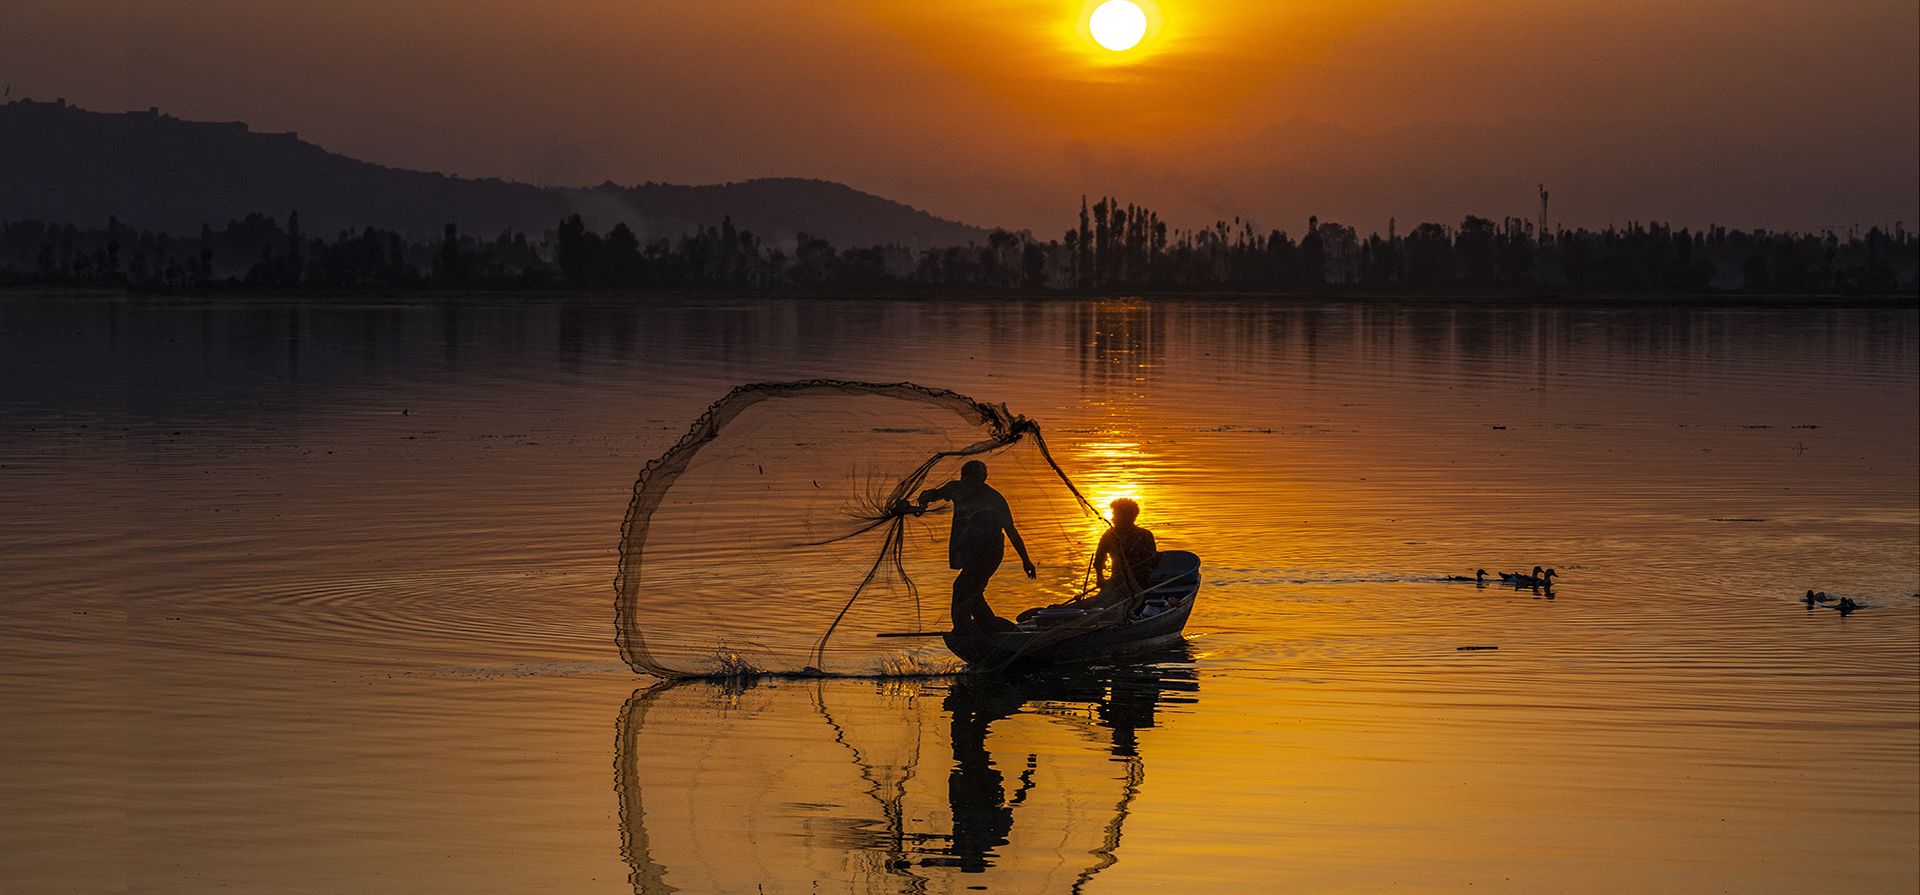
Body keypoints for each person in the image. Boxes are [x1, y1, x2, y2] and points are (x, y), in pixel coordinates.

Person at [916, 460, 1037, 635]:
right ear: (963, 478)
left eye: (976, 480)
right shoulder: (956, 488)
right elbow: (932, 495)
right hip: (969, 551)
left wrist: (1026, 560)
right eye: (968, 480)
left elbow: (1011, 531)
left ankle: (972, 630)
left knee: (964, 588)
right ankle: (984, 630)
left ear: (983, 479)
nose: (971, 485)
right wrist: (923, 498)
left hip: (990, 552)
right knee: (972, 593)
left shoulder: (994, 499)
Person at [1094, 498, 1158, 600]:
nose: (1112, 519)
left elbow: (1152, 562)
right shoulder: (1109, 535)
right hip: (1118, 582)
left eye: (1115, 515)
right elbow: (1099, 559)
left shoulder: (1144, 535)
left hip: (1141, 583)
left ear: (1128, 517)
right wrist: (1100, 578)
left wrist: (1155, 558)